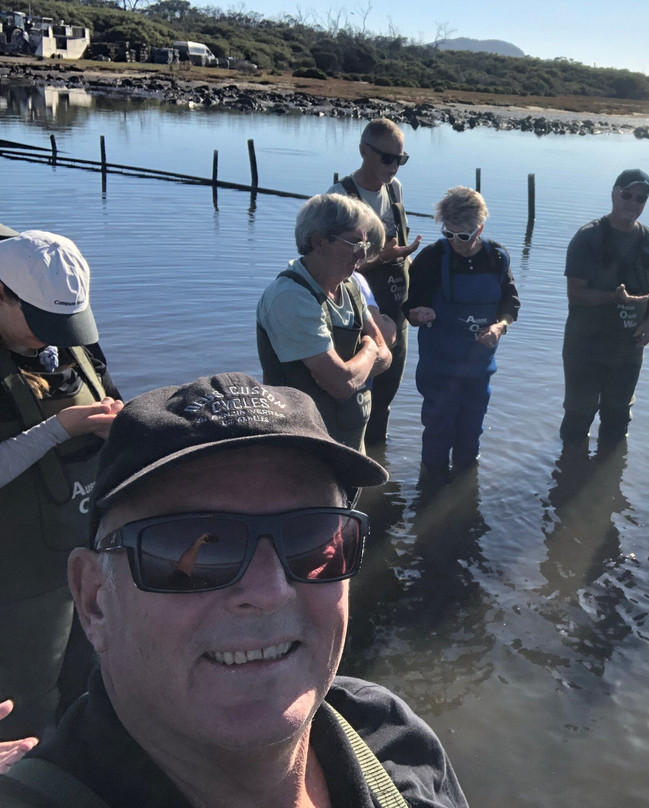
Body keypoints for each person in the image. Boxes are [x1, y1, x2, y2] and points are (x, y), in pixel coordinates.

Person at [0, 372, 470, 807]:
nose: (269, 591)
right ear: (94, 600)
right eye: (193, 551)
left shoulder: (391, 735)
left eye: (312, 539)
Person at [0, 230, 123, 744]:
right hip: (15, 578)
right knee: (22, 710)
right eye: (42, 322)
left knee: (93, 683)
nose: (54, 338)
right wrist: (58, 430)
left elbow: (110, 393)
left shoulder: (68, 339)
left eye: (66, 325)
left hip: (85, 552)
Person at [257, 193, 392, 453]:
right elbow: (342, 384)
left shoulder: (350, 286)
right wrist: (369, 350)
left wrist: (356, 367)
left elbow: (386, 356)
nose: (363, 254)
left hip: (351, 446)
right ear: (319, 242)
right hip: (304, 451)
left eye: (365, 245)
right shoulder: (290, 296)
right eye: (355, 244)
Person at [403, 186, 519, 477]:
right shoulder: (431, 259)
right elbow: (410, 308)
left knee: (471, 433)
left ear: (480, 229)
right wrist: (417, 314)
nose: (455, 242)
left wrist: (500, 326)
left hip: (479, 368)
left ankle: (466, 483)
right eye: (448, 234)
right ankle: (430, 485)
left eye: (463, 236)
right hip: (438, 368)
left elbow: (511, 304)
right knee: (437, 432)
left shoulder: (497, 258)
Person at [327, 118, 422, 445]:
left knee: (384, 398)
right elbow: (330, 267)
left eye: (401, 159)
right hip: (354, 315)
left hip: (396, 308)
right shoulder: (340, 197)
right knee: (353, 400)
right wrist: (379, 258)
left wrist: (420, 293)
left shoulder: (395, 189)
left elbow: (400, 250)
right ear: (364, 151)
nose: (394, 166)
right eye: (387, 158)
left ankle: (378, 460)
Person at [560, 169, 649, 446]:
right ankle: (570, 468)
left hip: (628, 349)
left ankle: (609, 466)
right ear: (614, 194)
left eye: (641, 198)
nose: (633, 202)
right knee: (578, 418)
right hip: (586, 346)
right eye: (627, 195)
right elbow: (575, 294)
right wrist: (613, 298)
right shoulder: (587, 237)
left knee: (618, 420)